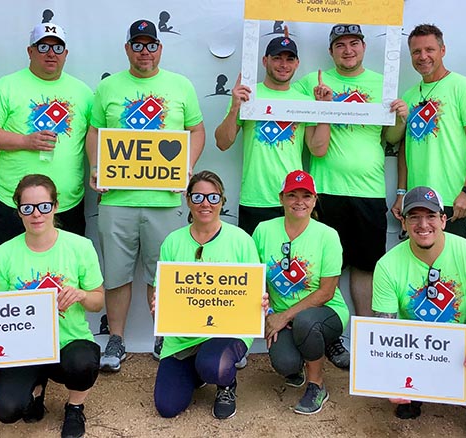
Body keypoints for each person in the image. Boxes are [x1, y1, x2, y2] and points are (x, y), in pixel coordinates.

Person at [85, 18, 205, 371]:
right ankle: (117, 340)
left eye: (150, 45)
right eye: (137, 45)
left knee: (164, 274)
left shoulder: (180, 86)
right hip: (117, 201)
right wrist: (96, 165)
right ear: (127, 50)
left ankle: (164, 334)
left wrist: (186, 165)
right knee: (117, 275)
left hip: (165, 201)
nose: (144, 52)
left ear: (160, 48)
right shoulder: (108, 88)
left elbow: (196, 130)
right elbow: (94, 132)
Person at [372, 186, 466, 438]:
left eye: (430, 216)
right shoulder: (387, 265)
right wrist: (390, 377)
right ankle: (413, 391)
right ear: (403, 223)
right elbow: (385, 329)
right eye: (414, 217)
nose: (422, 224)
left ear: (443, 220)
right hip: (413, 343)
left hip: (461, 338)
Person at [293, 23, 390, 367]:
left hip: (369, 190)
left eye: (354, 43)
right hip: (326, 191)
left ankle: (365, 337)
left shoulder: (384, 81)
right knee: (326, 270)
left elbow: (392, 137)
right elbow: (315, 148)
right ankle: (328, 336)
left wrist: (402, 116)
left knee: (365, 268)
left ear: (364, 46)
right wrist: (324, 108)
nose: (347, 50)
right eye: (340, 45)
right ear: (331, 51)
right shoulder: (313, 81)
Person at [0, 174, 105, 438]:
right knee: (7, 409)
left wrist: (81, 295)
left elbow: (98, 301)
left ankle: (75, 406)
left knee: (83, 363)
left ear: (55, 206)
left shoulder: (80, 247)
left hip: (68, 340)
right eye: (27, 208)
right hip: (23, 346)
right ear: (18, 211)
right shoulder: (3, 254)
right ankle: (36, 390)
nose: (36, 214)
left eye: (44, 206)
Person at [152, 171, 266, 420]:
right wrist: (159, 303)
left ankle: (225, 385)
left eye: (213, 197)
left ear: (223, 201)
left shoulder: (241, 240)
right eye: (199, 196)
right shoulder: (173, 242)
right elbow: (163, 288)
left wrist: (260, 299)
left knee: (213, 365)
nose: (206, 203)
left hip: (228, 330)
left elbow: (253, 290)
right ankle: (198, 370)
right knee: (167, 407)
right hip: (182, 335)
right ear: (188, 199)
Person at [0, 22, 92, 246]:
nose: (50, 54)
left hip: (68, 204)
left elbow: (95, 137)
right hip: (15, 206)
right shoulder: (7, 86)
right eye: (43, 47)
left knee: (65, 275)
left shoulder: (84, 92)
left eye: (57, 48)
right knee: (13, 275)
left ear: (65, 54)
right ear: (30, 51)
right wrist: (25, 141)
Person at [252, 170, 350, 415]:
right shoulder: (263, 230)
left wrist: (285, 317)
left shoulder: (327, 235)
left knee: (306, 322)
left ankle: (317, 385)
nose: (299, 202)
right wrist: (270, 313)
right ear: (281, 198)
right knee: (285, 364)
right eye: (292, 195)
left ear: (315, 200)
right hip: (282, 313)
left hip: (324, 311)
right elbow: (255, 279)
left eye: (306, 196)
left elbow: (327, 291)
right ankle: (299, 362)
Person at [214, 32, 332, 234]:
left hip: (294, 199)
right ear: (264, 60)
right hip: (255, 197)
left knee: (289, 264)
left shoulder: (304, 101)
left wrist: (324, 110)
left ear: (297, 64)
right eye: (277, 58)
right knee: (256, 263)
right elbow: (223, 143)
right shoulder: (248, 95)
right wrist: (235, 108)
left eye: (289, 59)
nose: (283, 64)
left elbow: (317, 149)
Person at [387, 24, 466, 241]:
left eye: (429, 50)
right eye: (416, 51)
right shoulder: (409, 95)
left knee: (457, 270)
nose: (423, 56)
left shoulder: (464, 88)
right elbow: (405, 148)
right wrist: (401, 194)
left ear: (442, 51)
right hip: (418, 202)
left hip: (455, 200)